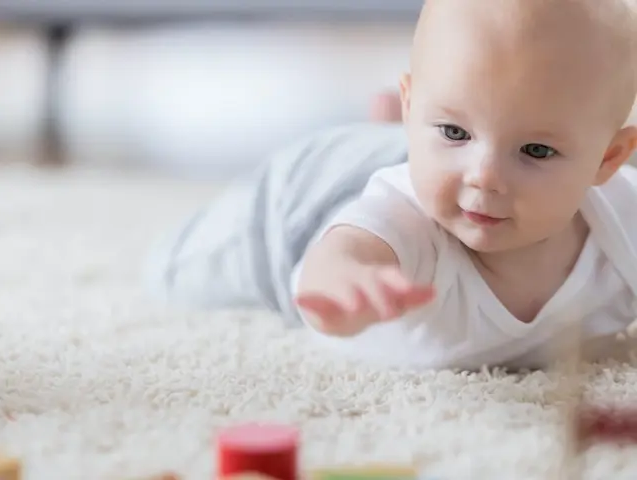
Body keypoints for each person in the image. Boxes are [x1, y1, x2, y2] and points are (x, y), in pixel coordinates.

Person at [147, 0, 637, 370]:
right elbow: (346, 253)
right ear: (413, 106)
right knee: (170, 273)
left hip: (413, 157)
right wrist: (345, 282)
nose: (484, 176)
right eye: (455, 131)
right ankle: (394, 134)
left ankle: (410, 132)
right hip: (305, 201)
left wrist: (447, 138)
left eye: (535, 150)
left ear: (608, 158)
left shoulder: (623, 222)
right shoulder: (402, 219)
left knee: (435, 150)